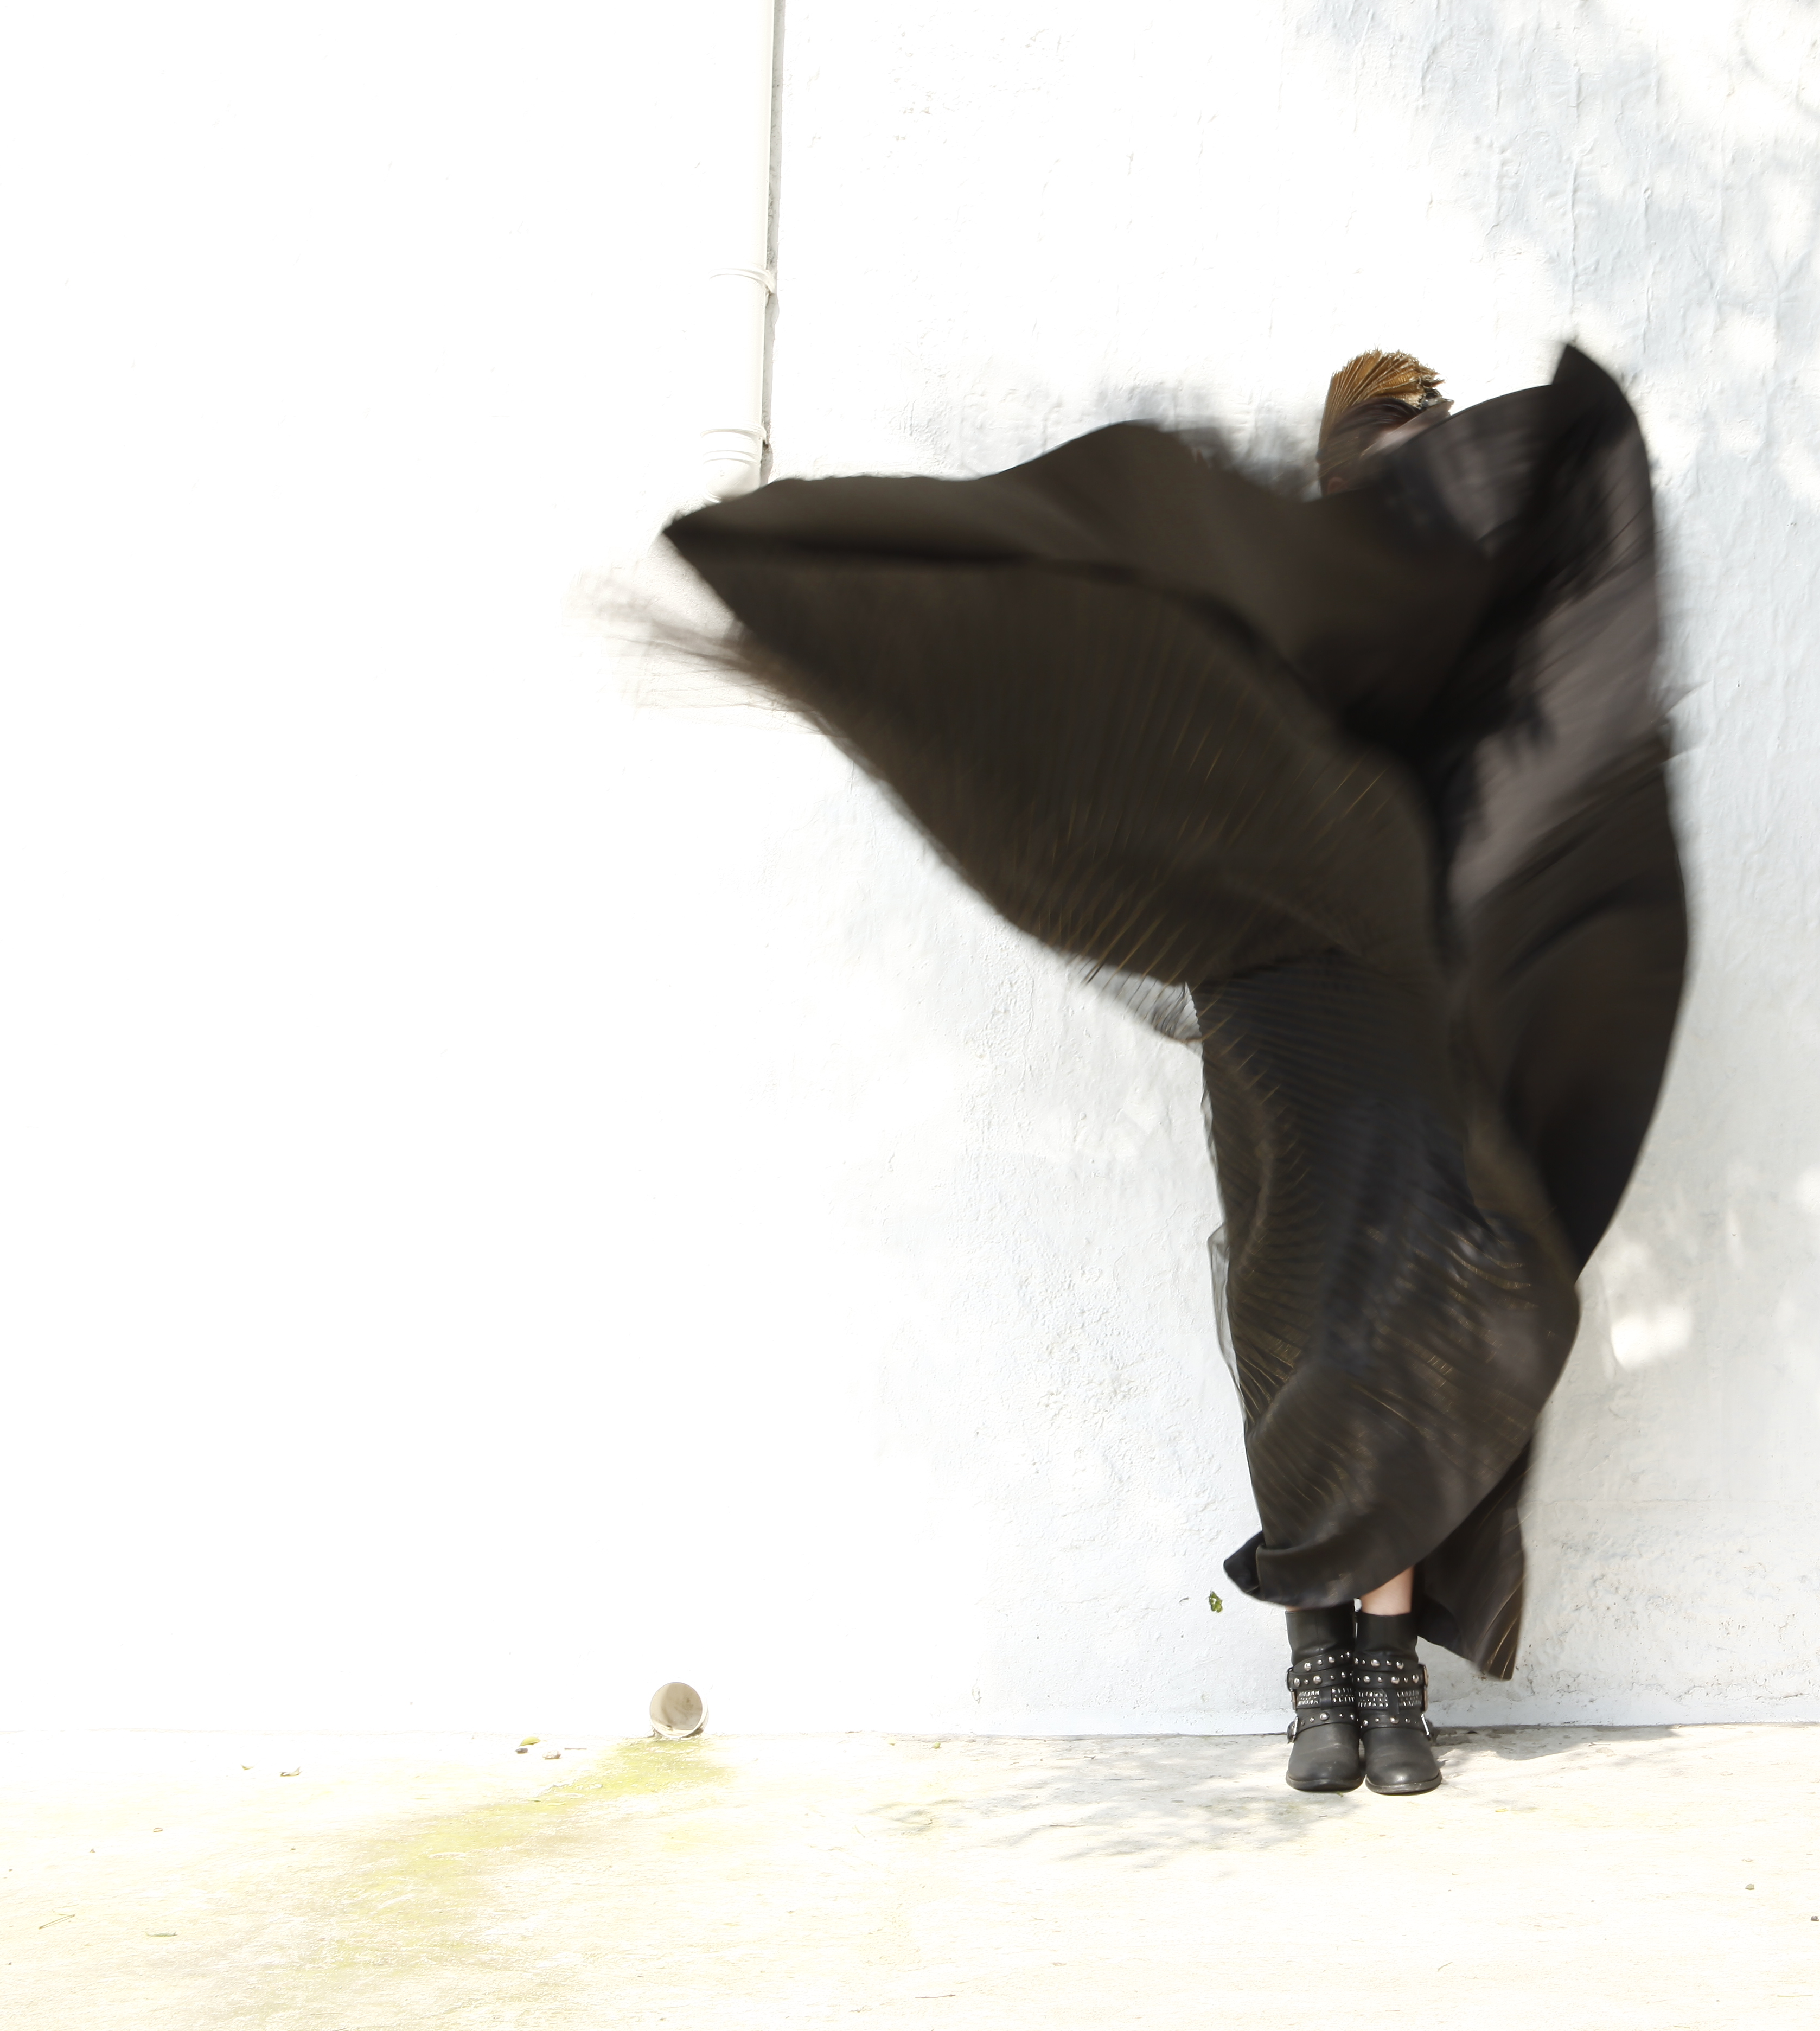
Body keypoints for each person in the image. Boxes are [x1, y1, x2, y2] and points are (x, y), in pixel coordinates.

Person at [664, 346, 1688, 1795]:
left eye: (1434, 445)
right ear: (1338, 471)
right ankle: (1317, 1673)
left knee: (1403, 1324)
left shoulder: (1452, 630)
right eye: (1391, 449)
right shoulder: (1274, 612)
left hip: (1404, 1011)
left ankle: (1386, 1677)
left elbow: (1529, 755)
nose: (1421, 471)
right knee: (1294, 1331)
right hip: (1273, 1015)